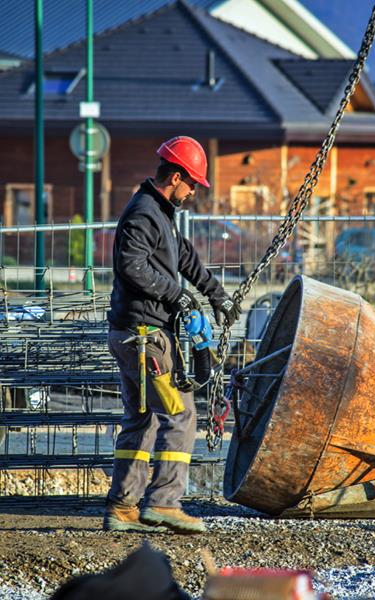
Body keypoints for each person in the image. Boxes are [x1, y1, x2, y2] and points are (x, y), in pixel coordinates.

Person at [104, 136, 240, 534]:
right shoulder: (144, 214)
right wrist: (177, 295)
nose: (194, 191)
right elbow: (132, 266)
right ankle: (164, 503)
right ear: (175, 176)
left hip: (133, 335)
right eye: (192, 183)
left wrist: (218, 297)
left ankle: (123, 509)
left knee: (141, 420)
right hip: (144, 336)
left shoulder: (161, 214)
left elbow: (185, 258)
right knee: (181, 414)